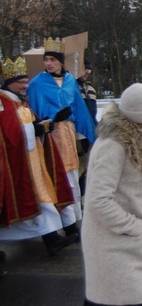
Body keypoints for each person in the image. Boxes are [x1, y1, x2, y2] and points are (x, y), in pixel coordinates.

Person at [81, 83, 142, 306]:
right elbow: (98, 200)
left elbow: (128, 182)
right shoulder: (113, 145)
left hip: (126, 245)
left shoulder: (132, 139)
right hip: (114, 246)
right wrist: (135, 227)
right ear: (139, 117)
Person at [0, 56, 77, 255]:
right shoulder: (4, 104)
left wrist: (43, 127)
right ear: (9, 83)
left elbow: (28, 127)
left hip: (33, 161)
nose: (25, 86)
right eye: (21, 83)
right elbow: (8, 134)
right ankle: (52, 239)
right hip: (17, 164)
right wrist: (33, 130)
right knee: (33, 200)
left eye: (27, 82)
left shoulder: (19, 104)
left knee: (43, 198)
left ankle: (52, 239)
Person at [26, 37, 97, 239]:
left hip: (69, 134)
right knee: (57, 178)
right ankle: (63, 224)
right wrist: (52, 119)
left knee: (73, 178)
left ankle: (73, 221)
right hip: (50, 136)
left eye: (52, 60)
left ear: (60, 62)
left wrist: (85, 134)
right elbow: (33, 113)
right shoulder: (37, 84)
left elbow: (80, 109)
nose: (48, 63)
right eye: (46, 59)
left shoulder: (69, 82)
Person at [76, 58, 97, 199]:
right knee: (78, 170)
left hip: (90, 134)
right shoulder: (71, 87)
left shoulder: (90, 88)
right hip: (77, 134)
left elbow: (92, 112)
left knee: (88, 170)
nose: (87, 72)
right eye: (84, 68)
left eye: (88, 69)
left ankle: (83, 198)